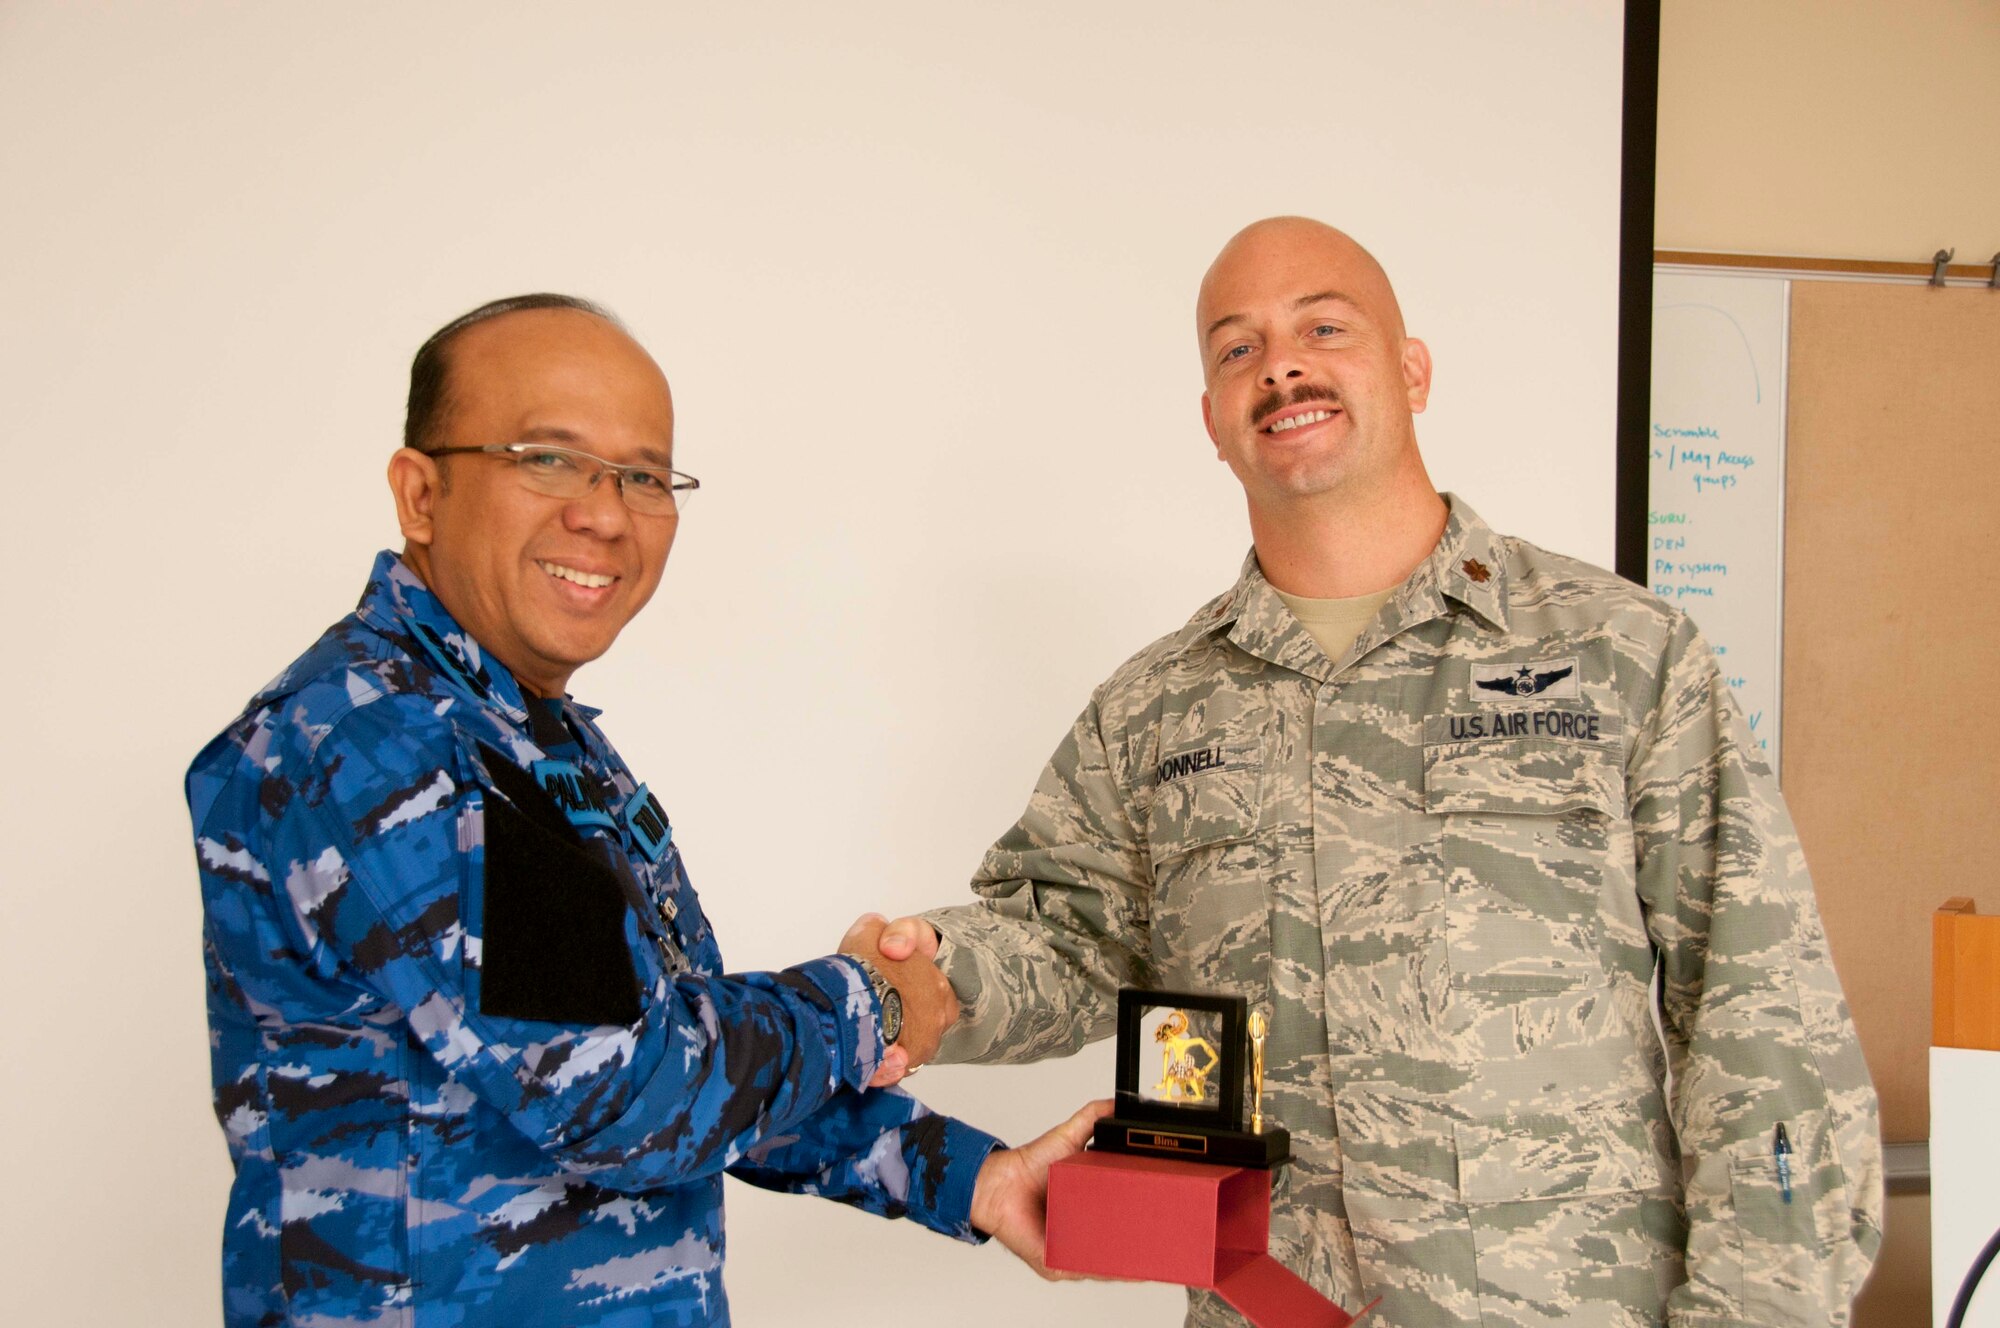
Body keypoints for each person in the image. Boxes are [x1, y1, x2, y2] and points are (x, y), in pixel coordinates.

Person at [859, 218, 1884, 1326]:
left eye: (1322, 326)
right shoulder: (1152, 706)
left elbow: (1759, 1020)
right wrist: (928, 977)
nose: (1280, 365)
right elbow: (1062, 935)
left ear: (1410, 369)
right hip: (1273, 1302)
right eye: (1235, 348)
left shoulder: (1621, 654)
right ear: (1210, 420)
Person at [186, 294, 1104, 1327]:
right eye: (546, 457)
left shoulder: (534, 741)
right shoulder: (375, 742)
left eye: (642, 474)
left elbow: (685, 1055)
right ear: (420, 493)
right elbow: (627, 1090)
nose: (605, 512)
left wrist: (972, 1179)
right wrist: (870, 1001)